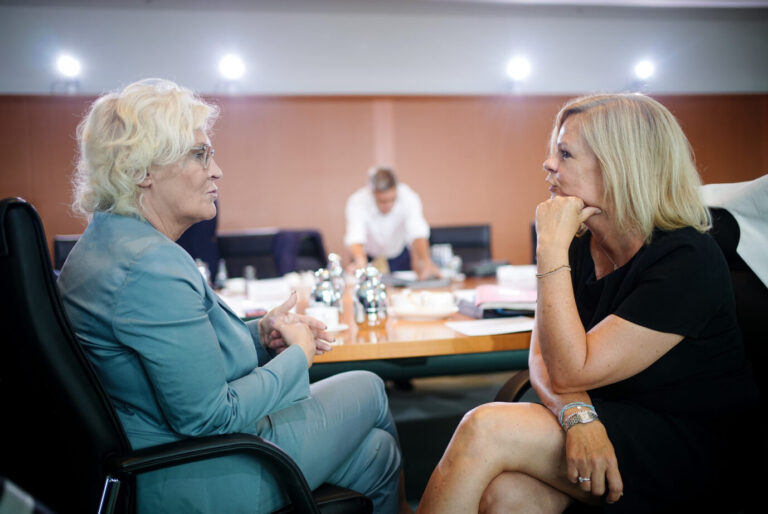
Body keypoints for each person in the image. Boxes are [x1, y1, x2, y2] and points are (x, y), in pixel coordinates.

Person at [57, 78, 410, 514]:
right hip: (199, 471)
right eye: (199, 154)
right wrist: (296, 355)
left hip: (156, 456)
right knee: (371, 387)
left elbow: (177, 356)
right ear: (142, 170)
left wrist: (260, 336)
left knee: (377, 453)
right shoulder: (150, 265)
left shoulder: (105, 243)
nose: (217, 170)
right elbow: (209, 417)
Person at [417, 93, 759, 513]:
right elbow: (543, 355)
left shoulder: (686, 259)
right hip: (612, 418)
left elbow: (569, 368)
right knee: (505, 496)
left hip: (691, 448)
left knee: (484, 428)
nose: (547, 163)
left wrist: (548, 250)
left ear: (618, 167)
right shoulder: (583, 244)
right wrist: (579, 415)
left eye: (565, 153)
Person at [345, 167, 440, 279]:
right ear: (373, 193)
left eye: (392, 199)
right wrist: (360, 260)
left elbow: (417, 232)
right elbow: (355, 236)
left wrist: (426, 261)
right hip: (369, 257)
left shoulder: (408, 197)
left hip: (399, 255)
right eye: (382, 201)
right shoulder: (358, 201)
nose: (388, 205)